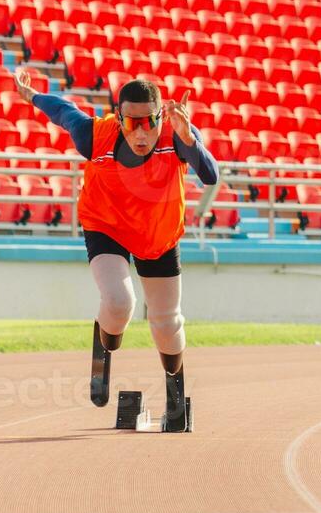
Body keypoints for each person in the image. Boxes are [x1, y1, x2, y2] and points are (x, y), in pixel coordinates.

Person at [16, 67, 219, 432]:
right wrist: (32, 96)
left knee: (166, 321)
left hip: (157, 233)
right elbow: (63, 112)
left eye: (149, 122)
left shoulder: (179, 133)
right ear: (119, 117)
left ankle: (175, 395)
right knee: (119, 302)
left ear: (161, 114)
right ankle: (104, 349)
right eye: (131, 122)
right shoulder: (96, 135)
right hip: (106, 225)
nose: (141, 132)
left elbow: (211, 176)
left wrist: (191, 140)